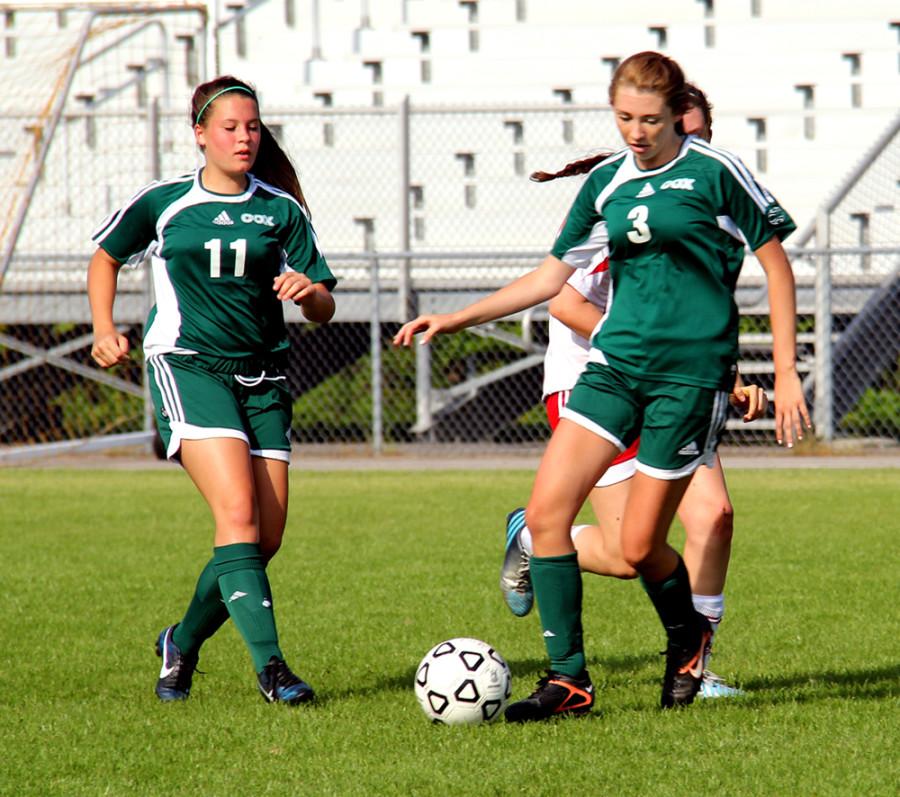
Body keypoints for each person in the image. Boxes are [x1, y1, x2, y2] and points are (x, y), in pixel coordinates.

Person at [394, 51, 810, 721]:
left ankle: (688, 638)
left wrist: (785, 371)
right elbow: (548, 279)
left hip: (688, 379)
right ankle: (568, 681)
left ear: (676, 114)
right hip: (613, 369)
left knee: (641, 547)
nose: (636, 132)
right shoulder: (607, 183)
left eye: (649, 119)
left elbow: (777, 265)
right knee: (546, 514)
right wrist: (456, 315)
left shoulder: (716, 171)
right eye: (623, 118)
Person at [500, 84, 763, 699]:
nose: (683, 143)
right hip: (594, 381)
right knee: (625, 554)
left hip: (674, 381)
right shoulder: (626, 200)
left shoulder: (702, 196)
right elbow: (562, 297)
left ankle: (695, 668)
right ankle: (532, 535)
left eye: (696, 135)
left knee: (716, 515)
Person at [88, 75, 336, 705]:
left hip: (264, 378)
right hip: (189, 366)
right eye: (229, 127)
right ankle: (273, 670)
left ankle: (182, 642)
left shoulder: (282, 209)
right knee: (237, 516)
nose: (244, 137)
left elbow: (325, 305)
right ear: (199, 134)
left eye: (252, 126)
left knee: (264, 539)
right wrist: (102, 326)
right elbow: (106, 256)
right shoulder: (165, 202)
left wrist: (310, 293)